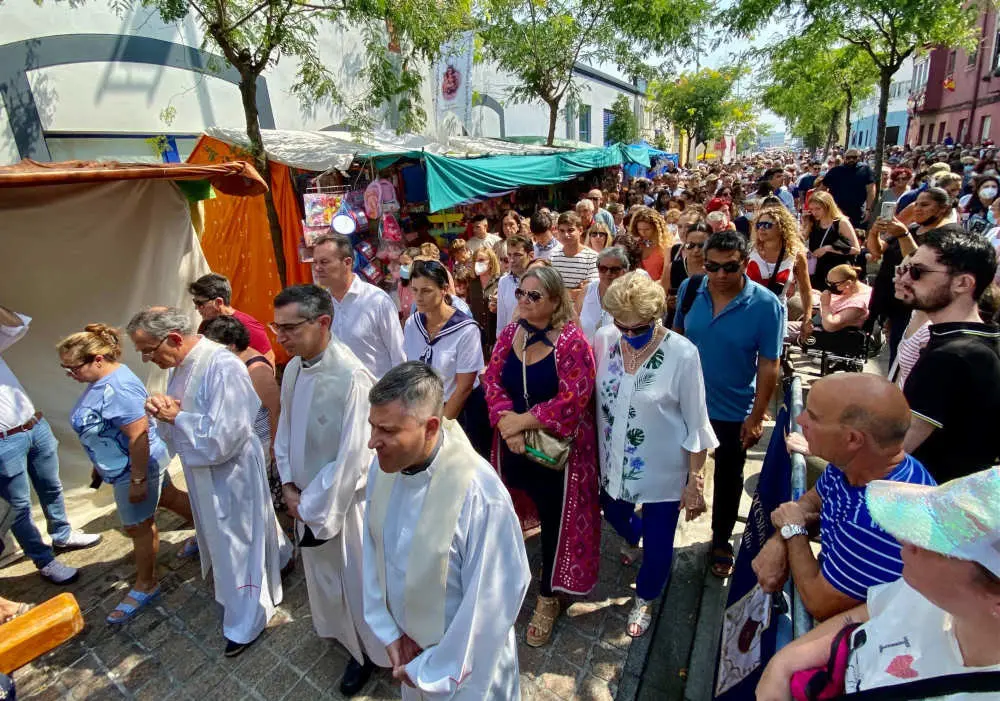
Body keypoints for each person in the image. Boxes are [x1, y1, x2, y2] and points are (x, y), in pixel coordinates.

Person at [756, 466, 1000, 701]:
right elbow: (871, 611)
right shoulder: (929, 594)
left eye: (939, 545)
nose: (906, 539)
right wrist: (782, 664)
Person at [362, 362, 530, 699]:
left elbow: (491, 604)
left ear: (431, 426)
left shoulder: (479, 496)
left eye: (387, 430)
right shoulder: (384, 468)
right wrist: (391, 631)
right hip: (409, 654)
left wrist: (431, 668)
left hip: (465, 671)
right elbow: (373, 550)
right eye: (372, 426)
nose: (371, 442)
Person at [127, 306, 283, 656]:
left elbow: (227, 433)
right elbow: (186, 413)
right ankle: (279, 559)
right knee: (236, 535)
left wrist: (177, 416)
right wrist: (167, 410)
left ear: (175, 339)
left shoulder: (222, 365)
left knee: (237, 541)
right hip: (205, 471)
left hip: (230, 470)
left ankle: (247, 620)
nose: (147, 358)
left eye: (149, 349)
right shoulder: (181, 365)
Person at [270, 285, 388, 696]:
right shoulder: (294, 368)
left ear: (323, 322)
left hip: (345, 504)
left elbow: (355, 455)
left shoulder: (352, 375)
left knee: (356, 580)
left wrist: (312, 502)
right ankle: (340, 633)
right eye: (277, 327)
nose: (280, 337)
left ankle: (370, 654)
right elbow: (284, 428)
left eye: (289, 328)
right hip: (303, 498)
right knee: (324, 578)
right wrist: (287, 483)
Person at [752, 374, 935, 620]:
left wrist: (793, 531)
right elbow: (812, 501)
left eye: (813, 417)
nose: (800, 419)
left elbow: (818, 602)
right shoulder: (855, 465)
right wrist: (779, 541)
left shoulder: (878, 521)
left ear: (852, 439)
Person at [482, 266, 600, 647]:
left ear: (554, 301)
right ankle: (509, 582)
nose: (524, 302)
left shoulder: (571, 341)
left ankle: (548, 598)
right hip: (513, 447)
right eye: (521, 294)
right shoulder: (510, 333)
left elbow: (573, 399)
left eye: (534, 296)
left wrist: (521, 423)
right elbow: (492, 380)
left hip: (555, 455)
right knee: (506, 516)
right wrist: (505, 424)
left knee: (555, 524)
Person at [594, 273, 716, 637]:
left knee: (660, 548)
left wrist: (695, 481)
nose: (629, 335)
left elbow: (697, 423)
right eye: (622, 326)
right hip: (611, 464)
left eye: (639, 328)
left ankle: (645, 598)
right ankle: (636, 535)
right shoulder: (604, 339)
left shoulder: (682, 354)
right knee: (613, 512)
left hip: (663, 474)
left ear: (657, 316)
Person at [59, 324, 193, 623]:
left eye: (73, 368)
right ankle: (208, 532)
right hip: (128, 466)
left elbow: (138, 436)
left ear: (97, 359)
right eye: (65, 369)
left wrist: (137, 479)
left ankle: (146, 583)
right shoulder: (103, 381)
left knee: (138, 526)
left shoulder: (116, 387)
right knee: (168, 498)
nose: (70, 374)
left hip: (134, 469)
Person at [672, 231, 784, 578]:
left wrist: (756, 415)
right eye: (713, 267)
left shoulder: (767, 305)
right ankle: (663, 529)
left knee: (728, 476)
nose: (720, 275)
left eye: (730, 268)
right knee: (675, 468)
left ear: (744, 263)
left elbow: (769, 364)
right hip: (684, 403)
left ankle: (720, 538)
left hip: (733, 409)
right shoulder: (691, 290)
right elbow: (676, 339)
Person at [0, 305, 99, 585]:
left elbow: (16, 326)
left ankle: (62, 534)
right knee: (17, 507)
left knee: (51, 486)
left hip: (34, 425)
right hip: (3, 442)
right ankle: (44, 561)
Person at [897, 226, 1000, 483]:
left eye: (918, 271)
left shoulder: (950, 356)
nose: (905, 278)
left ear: (963, 283)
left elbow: (894, 453)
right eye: (905, 269)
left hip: (933, 505)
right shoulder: (981, 339)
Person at [403, 261, 489, 458]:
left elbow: (464, 387)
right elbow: (412, 371)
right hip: (426, 410)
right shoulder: (412, 324)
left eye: (426, 291)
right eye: (414, 290)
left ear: (444, 290)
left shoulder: (466, 329)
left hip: (461, 413)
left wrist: (441, 427)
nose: (418, 298)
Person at [869, 187, 954, 365]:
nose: (918, 209)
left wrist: (903, 235)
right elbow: (877, 251)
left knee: (904, 359)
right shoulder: (913, 228)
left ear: (943, 208)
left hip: (915, 308)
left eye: (925, 205)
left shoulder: (947, 235)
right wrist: (874, 232)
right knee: (896, 351)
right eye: (916, 204)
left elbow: (917, 264)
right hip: (893, 301)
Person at [311, 234, 406, 379]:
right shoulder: (319, 304)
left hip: (377, 396)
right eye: (315, 262)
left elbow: (399, 355)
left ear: (347, 262)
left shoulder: (377, 301)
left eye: (324, 262)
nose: (317, 268)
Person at [746, 206, 813, 333]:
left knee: (773, 352)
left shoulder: (796, 255)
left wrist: (807, 318)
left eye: (767, 225)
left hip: (776, 315)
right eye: (759, 224)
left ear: (782, 227)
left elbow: (805, 289)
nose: (761, 228)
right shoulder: (749, 251)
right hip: (748, 312)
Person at [188, 273, 274, 364]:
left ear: (218, 302)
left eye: (200, 303)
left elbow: (269, 359)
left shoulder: (247, 325)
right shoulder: (205, 325)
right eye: (195, 302)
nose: (196, 308)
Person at [803, 191, 862, 291]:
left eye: (818, 209)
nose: (814, 212)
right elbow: (802, 239)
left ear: (828, 206)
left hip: (837, 273)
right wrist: (806, 224)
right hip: (817, 270)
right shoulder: (814, 222)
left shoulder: (841, 222)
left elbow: (856, 249)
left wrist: (828, 248)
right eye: (811, 209)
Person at [577, 246, 631, 342]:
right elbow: (573, 322)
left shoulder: (630, 296)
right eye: (603, 268)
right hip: (585, 354)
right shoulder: (588, 290)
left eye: (614, 270)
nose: (608, 273)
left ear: (624, 271)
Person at [665, 223, 709, 327]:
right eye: (691, 245)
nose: (696, 250)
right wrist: (668, 303)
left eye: (701, 245)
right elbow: (661, 299)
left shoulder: (716, 270)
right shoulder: (674, 267)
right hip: (678, 326)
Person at [551, 211, 599, 305]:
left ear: (580, 230)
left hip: (582, 314)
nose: (566, 235)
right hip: (557, 314)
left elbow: (590, 292)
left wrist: (560, 291)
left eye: (570, 230)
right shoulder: (553, 256)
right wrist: (571, 292)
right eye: (562, 231)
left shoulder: (592, 257)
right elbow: (549, 290)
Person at [822, 148, 876, 228]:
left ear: (858, 157)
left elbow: (871, 190)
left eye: (854, 157)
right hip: (837, 210)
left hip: (857, 212)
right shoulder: (835, 171)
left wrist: (868, 210)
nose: (851, 159)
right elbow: (822, 189)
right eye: (848, 157)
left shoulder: (865, 170)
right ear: (844, 157)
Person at [495, 235, 532, 337]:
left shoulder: (540, 280)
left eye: (517, 255)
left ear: (531, 255)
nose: (511, 260)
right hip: (511, 343)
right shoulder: (503, 282)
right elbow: (501, 320)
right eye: (509, 255)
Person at [467, 245, 501, 358]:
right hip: (477, 337)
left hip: (495, 334)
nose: (477, 263)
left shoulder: (501, 281)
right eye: (475, 260)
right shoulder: (472, 283)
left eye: (481, 260)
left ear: (491, 262)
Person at [628, 206, 672, 281]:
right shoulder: (635, 245)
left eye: (647, 229)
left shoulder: (666, 247)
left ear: (657, 228)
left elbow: (666, 278)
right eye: (639, 229)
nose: (643, 233)